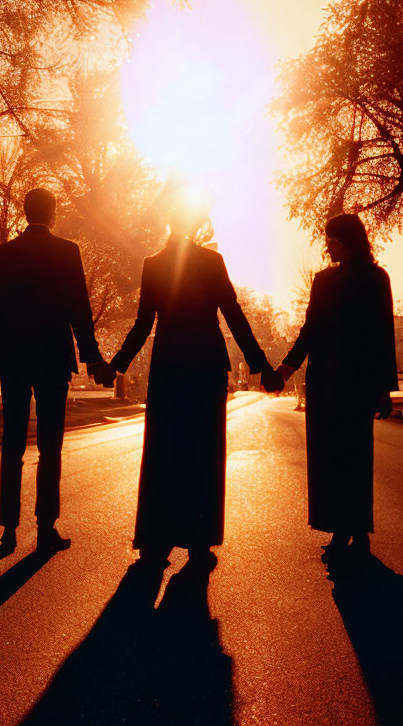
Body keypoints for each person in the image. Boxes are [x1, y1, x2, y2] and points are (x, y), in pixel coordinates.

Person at [109, 195, 283, 567]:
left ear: (168, 222)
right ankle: (199, 539)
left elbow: (143, 323)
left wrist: (116, 364)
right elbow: (234, 315)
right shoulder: (211, 261)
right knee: (203, 453)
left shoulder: (153, 265)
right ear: (195, 224)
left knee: (162, 451)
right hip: (205, 365)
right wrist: (261, 366)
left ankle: (156, 537)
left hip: (168, 367)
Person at [0, 188, 112, 553]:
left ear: (25, 213)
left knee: (12, 444)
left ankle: (9, 528)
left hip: (13, 359)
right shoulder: (67, 252)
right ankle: (45, 528)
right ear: (53, 213)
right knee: (50, 446)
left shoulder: (4, 254)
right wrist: (93, 358)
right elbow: (80, 311)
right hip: (53, 360)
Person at [277, 213, 398, 561]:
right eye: (327, 238)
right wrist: (287, 367)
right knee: (327, 459)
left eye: (333, 238)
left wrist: (384, 389)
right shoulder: (322, 281)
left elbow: (382, 336)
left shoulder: (376, 279)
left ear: (350, 240)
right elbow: (310, 328)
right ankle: (338, 527)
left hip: (357, 384)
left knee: (355, 457)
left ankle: (356, 530)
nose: (328, 244)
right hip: (324, 384)